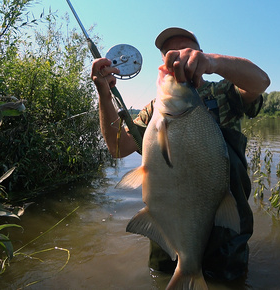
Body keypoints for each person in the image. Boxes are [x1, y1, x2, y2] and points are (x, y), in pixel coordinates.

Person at [91, 27, 270, 281]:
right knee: (162, 277)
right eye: (169, 53)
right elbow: (118, 148)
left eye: (185, 51)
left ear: (199, 54)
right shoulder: (155, 109)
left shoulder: (224, 93)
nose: (176, 57)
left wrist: (213, 62)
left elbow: (261, 81)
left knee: (228, 281)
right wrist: (104, 94)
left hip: (225, 233)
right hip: (169, 222)